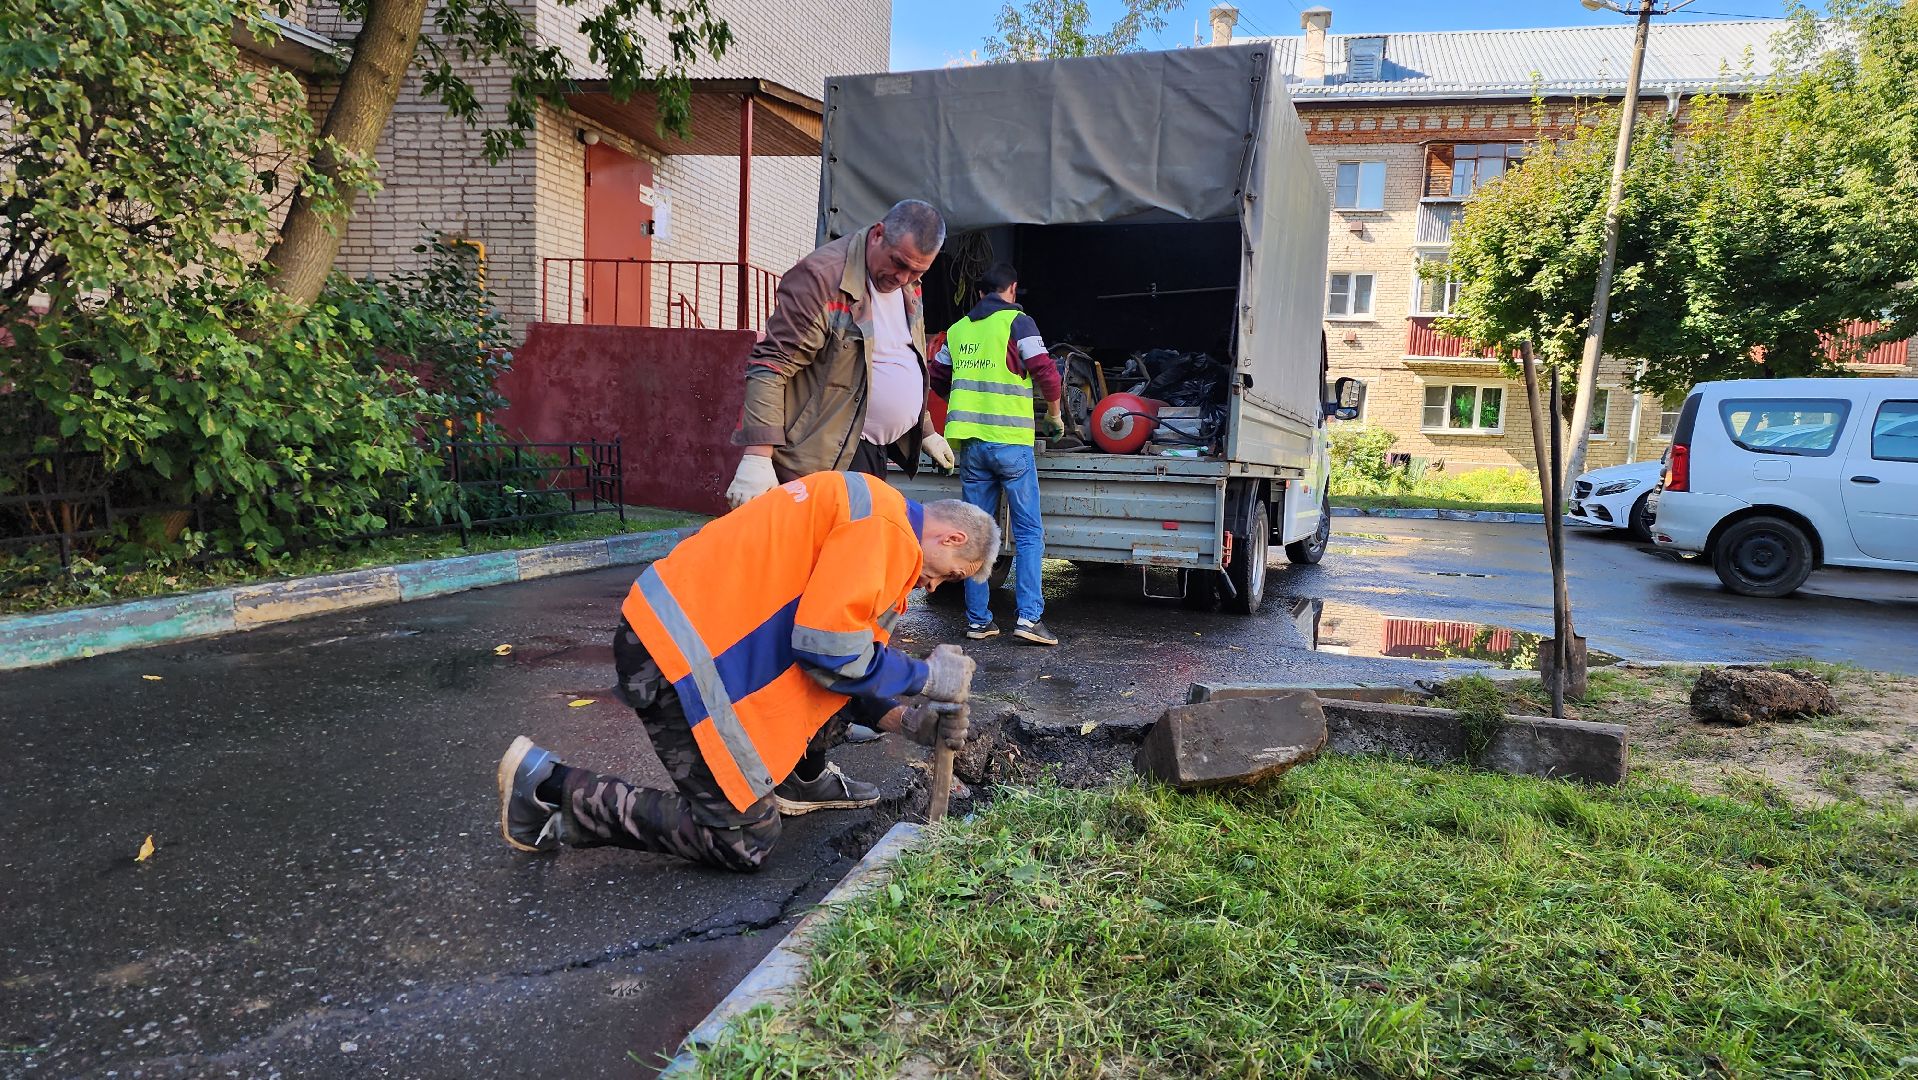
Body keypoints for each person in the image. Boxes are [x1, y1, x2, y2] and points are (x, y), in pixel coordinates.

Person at [496, 472, 997, 872]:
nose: (935, 588)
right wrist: (925, 679)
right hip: (674, 657)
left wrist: (907, 722)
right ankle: (550, 789)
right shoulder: (886, 534)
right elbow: (830, 650)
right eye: (952, 573)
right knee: (743, 839)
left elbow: (853, 668)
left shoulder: (875, 514)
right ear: (951, 537)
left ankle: (800, 778)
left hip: (677, 635)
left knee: (833, 684)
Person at [726, 199, 957, 508]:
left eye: (917, 271)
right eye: (899, 263)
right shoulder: (821, 279)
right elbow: (771, 365)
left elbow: (900, 354)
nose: (903, 278)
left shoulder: (908, 282)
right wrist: (758, 454)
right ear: (877, 234)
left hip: (874, 452)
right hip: (824, 456)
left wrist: (923, 427)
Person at [932, 262, 1064, 646]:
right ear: (1013, 290)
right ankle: (1028, 619)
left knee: (977, 534)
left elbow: (937, 378)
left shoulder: (956, 331)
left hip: (971, 447)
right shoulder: (1018, 322)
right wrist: (1054, 415)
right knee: (1027, 532)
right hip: (1010, 444)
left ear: (978, 294)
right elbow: (1046, 371)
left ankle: (979, 621)